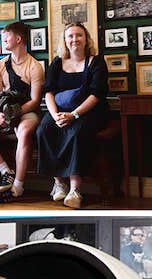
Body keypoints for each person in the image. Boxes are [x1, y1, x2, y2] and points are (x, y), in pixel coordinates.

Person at [36, 23, 108, 209]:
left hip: (88, 112)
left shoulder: (96, 62)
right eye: (70, 36)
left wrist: (74, 115)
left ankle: (75, 190)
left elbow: (96, 94)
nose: (75, 39)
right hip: (58, 111)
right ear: (65, 41)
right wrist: (55, 115)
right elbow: (49, 92)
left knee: (76, 132)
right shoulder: (57, 63)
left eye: (79, 35)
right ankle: (59, 182)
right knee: (44, 129)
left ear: (86, 39)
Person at [0, 22, 44, 203]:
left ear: (18, 39)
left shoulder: (35, 67)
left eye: (7, 36)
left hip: (25, 111)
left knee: (25, 132)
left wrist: (15, 113)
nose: (3, 39)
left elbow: (35, 101)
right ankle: (6, 172)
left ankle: (18, 185)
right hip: (2, 110)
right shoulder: (0, 65)